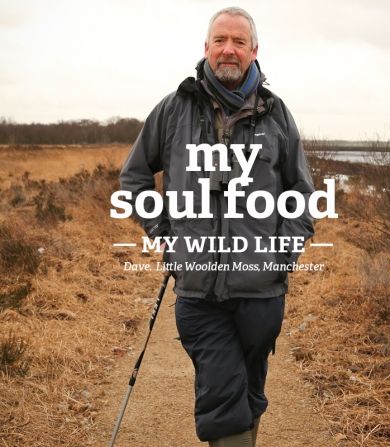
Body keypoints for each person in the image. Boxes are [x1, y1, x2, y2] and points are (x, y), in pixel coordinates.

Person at [120, 6, 314, 447]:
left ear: (254, 51)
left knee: (249, 393)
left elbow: (301, 192)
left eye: (239, 42)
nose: (229, 49)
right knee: (223, 395)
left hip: (262, 294)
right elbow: (134, 177)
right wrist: (166, 235)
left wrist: (281, 254)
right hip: (198, 294)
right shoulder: (173, 110)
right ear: (206, 48)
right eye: (221, 41)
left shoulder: (277, 116)